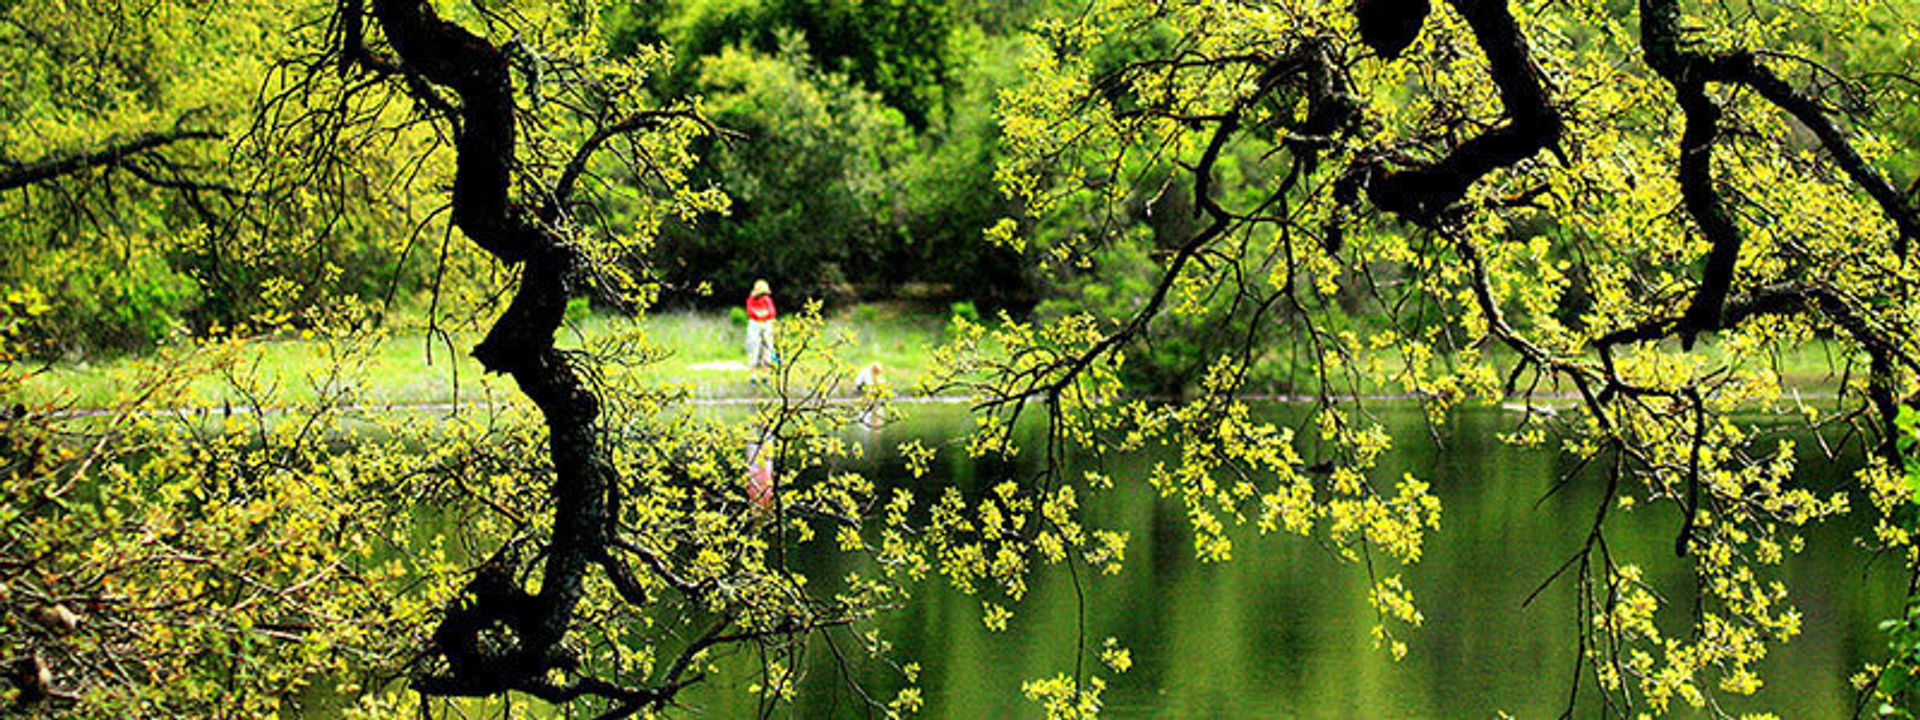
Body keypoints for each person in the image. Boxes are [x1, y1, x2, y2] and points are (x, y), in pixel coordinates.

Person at [744, 280, 777, 381]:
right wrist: (759, 314)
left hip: (766, 325)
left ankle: (765, 375)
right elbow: (750, 312)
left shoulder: (767, 299)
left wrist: (764, 314)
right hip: (755, 325)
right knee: (754, 348)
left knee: (767, 349)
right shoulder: (751, 300)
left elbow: (772, 312)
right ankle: (753, 376)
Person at [853, 361, 887, 428]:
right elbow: (869, 385)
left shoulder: (872, 373)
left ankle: (874, 401)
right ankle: (870, 401)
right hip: (860, 387)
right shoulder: (867, 373)